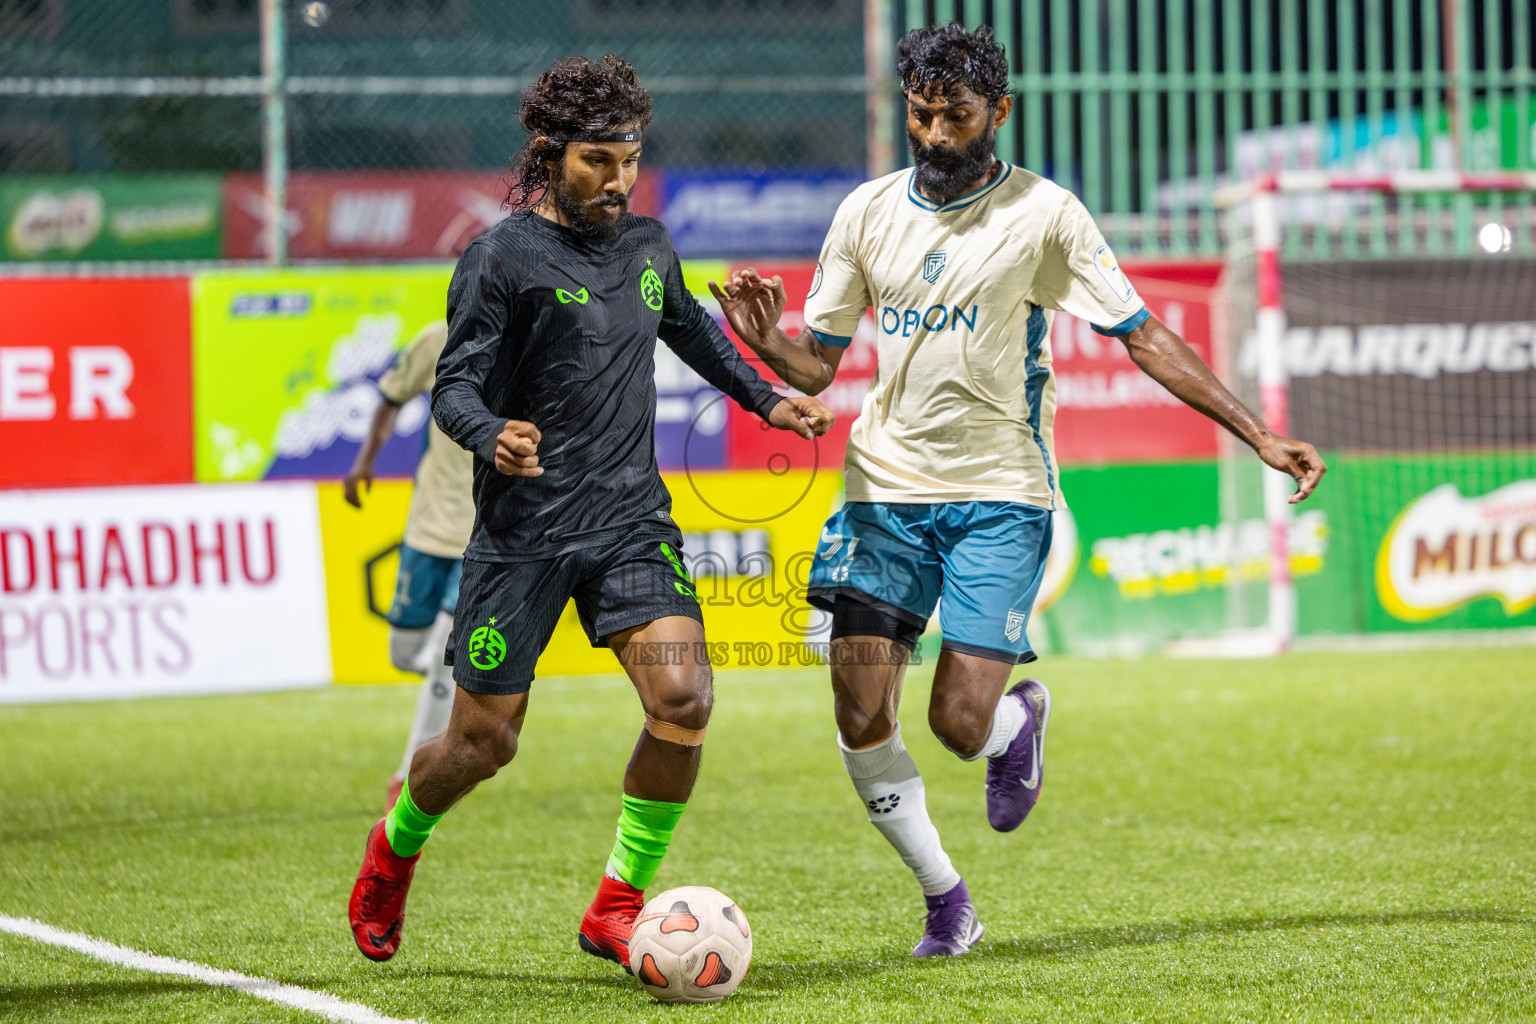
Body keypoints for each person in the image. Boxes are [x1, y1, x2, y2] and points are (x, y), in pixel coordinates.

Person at [713, 23, 1326, 958]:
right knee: (856, 706)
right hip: (883, 492)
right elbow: (817, 369)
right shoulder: (866, 212)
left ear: (999, 112)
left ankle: (1011, 721)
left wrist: (1261, 436)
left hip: (1001, 492)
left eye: (956, 116)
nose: (935, 134)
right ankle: (945, 897)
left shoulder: (1047, 215)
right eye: (921, 115)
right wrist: (766, 343)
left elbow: (1142, 334)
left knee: (956, 724)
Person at [346, 54, 834, 968]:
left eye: (629, 159)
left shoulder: (648, 245)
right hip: (523, 536)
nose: (618, 181)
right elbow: (455, 387)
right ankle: (394, 849)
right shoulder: (499, 258)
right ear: (548, 155)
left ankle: (617, 904)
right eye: (597, 162)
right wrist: (491, 431)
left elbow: (689, 327)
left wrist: (770, 400)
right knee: (483, 744)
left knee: (685, 699)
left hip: (628, 526)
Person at [343, 319, 474, 811]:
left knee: (446, 649)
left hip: (485, 537)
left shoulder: (528, 338)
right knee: (406, 652)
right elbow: (392, 397)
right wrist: (364, 462)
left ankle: (407, 776)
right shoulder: (437, 338)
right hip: (427, 528)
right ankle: (460, 687)